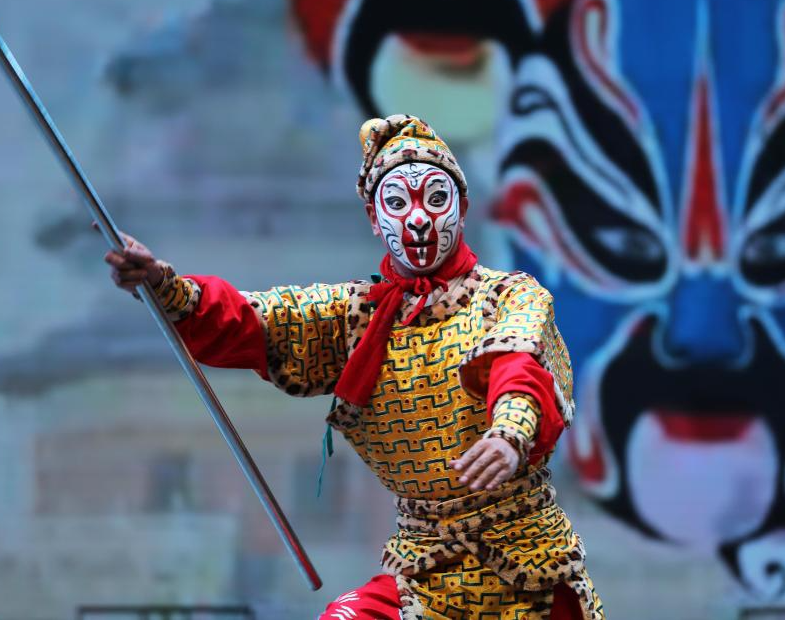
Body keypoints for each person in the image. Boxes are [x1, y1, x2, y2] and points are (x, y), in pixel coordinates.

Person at [104, 114, 604, 619]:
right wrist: (166, 287)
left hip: (526, 567)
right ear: (373, 217)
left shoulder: (509, 296)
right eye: (398, 203)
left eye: (436, 199)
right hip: (425, 570)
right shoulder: (355, 316)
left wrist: (510, 433)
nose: (418, 220)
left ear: (463, 208)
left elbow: (518, 364)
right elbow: (252, 322)